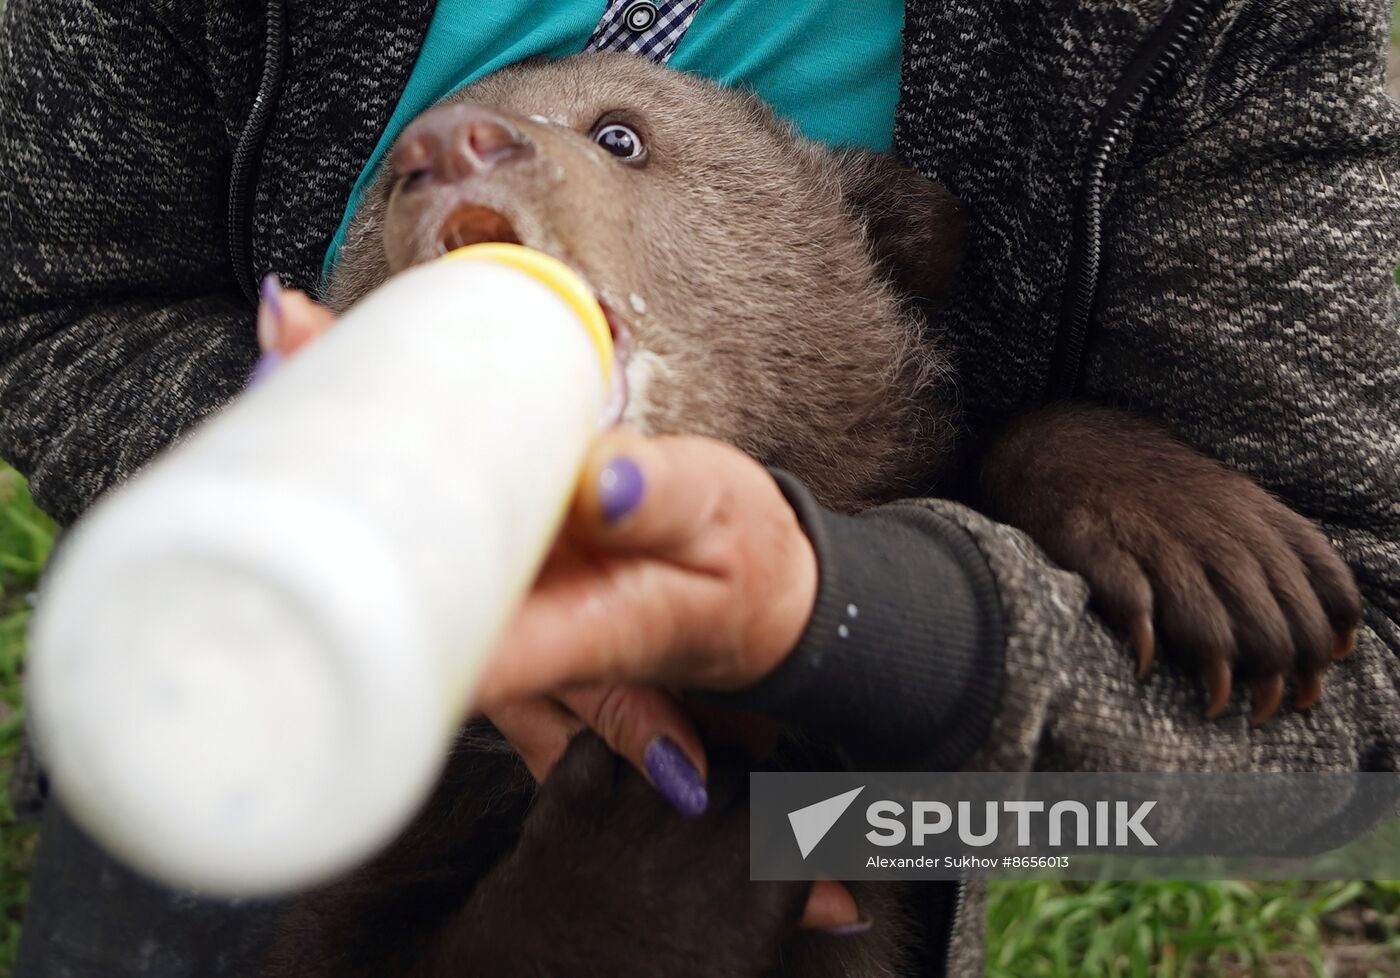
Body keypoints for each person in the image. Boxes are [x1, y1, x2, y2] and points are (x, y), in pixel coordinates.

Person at [1, 0, 1397, 975]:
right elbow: (52, 302)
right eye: (407, 176)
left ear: (874, 235)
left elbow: (1347, 754)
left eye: (616, 141)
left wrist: (879, 624)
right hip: (243, 693)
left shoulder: (1219, 31)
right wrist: (328, 469)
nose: (443, 162)